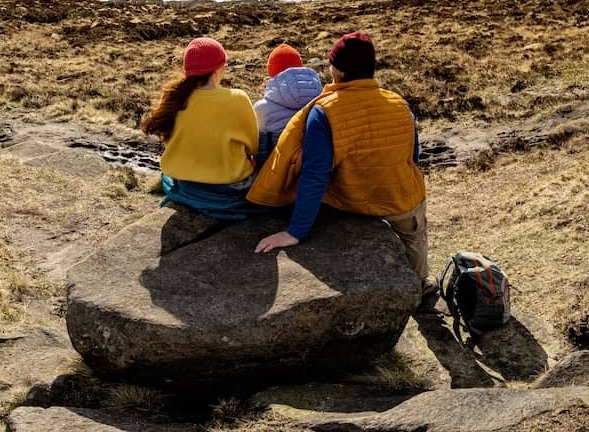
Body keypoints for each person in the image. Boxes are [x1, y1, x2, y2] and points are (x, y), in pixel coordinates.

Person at [246, 32, 431, 286]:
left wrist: (294, 232)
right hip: (402, 197)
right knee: (415, 239)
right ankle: (422, 286)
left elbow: (315, 175)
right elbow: (413, 156)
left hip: (351, 202)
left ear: (337, 70)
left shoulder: (324, 111)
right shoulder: (399, 103)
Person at [141, 36, 260, 219]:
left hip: (188, 186)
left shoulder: (176, 99)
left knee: (167, 179)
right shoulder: (238, 99)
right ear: (218, 69)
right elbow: (254, 148)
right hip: (230, 192)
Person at [253, 43, 323, 166]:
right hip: (316, 169)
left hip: (280, 172)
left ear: (270, 71)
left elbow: (261, 150)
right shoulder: (322, 98)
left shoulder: (262, 108)